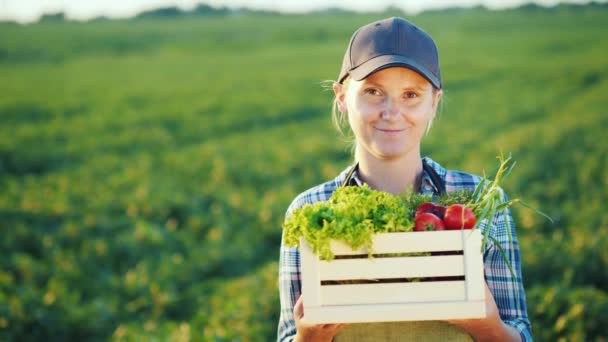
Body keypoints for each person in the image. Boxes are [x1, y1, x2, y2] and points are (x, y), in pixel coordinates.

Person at [277, 17, 532, 342]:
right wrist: (308, 337)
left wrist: (486, 324)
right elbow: (288, 336)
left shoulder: (480, 204)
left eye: (411, 95)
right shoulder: (311, 209)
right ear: (342, 97)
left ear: (434, 102)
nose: (391, 111)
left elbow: (520, 333)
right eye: (373, 91)